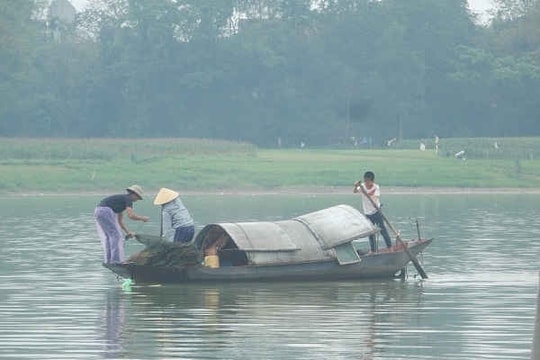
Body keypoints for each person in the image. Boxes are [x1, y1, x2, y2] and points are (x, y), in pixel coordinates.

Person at [94, 185, 150, 264]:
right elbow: (131, 216)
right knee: (115, 235)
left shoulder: (121, 202)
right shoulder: (128, 199)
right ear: (134, 194)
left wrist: (128, 232)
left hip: (98, 211)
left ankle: (109, 260)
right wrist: (142, 218)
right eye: (138, 197)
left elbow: (120, 221)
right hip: (105, 211)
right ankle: (116, 261)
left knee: (109, 236)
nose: (137, 200)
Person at [353, 171, 392, 253]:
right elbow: (355, 191)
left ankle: (390, 248)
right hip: (367, 213)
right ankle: (373, 250)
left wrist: (365, 192)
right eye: (365, 181)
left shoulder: (376, 187)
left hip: (376, 211)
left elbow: (374, 196)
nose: (366, 183)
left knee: (382, 230)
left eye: (368, 181)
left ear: (372, 181)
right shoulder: (362, 186)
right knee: (371, 233)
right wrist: (356, 186)